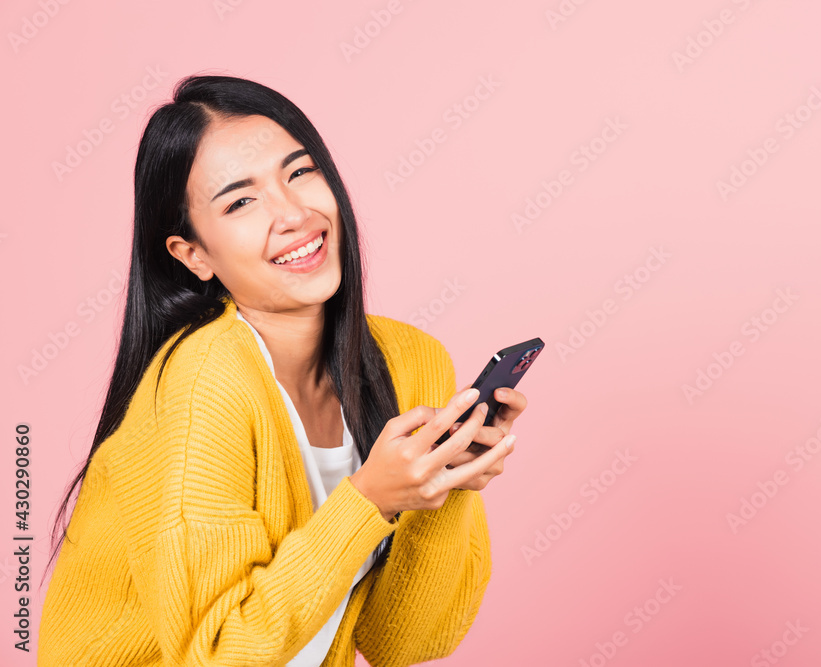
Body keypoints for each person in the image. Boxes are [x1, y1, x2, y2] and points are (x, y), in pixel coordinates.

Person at [38, 73, 525, 666]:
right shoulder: (203, 383)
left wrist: (443, 487)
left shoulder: (411, 360)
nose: (293, 214)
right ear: (193, 254)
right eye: (241, 201)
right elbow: (217, 656)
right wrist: (368, 501)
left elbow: (404, 644)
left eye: (299, 172)